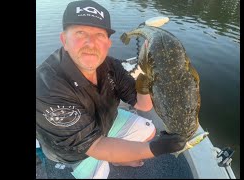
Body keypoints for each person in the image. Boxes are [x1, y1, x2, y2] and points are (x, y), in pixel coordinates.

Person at [36, 0, 187, 178]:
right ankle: (82, 166)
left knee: (148, 130)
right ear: (64, 40)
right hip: (75, 151)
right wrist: (155, 148)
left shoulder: (111, 66)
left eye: (99, 35)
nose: (90, 43)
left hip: (105, 123)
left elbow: (143, 105)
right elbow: (96, 146)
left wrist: (146, 77)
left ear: (108, 43)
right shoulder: (45, 87)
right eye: (80, 33)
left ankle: (117, 159)